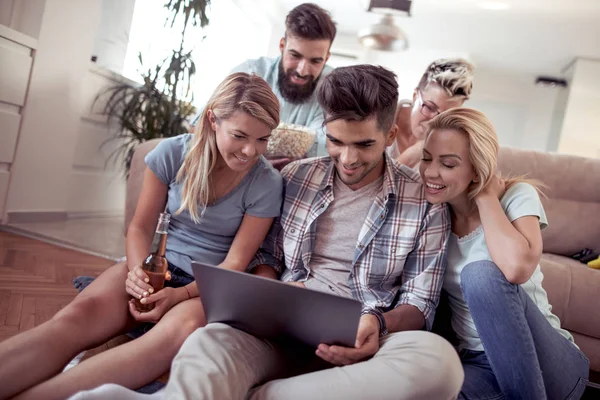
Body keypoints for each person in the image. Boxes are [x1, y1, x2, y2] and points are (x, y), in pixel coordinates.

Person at [159, 64, 464, 400]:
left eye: (364, 144)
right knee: (209, 341)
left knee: (440, 362)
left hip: (365, 341)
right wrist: (271, 295)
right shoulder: (295, 177)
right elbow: (267, 257)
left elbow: (420, 302)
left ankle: (264, 394)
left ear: (390, 136)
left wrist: (378, 325)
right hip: (280, 331)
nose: (347, 159)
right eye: (335, 141)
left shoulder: (425, 201)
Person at [0, 72, 284, 400]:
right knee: (73, 320)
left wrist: (180, 296)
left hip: (206, 288)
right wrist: (137, 274)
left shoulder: (266, 182)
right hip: (154, 268)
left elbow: (236, 262)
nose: (251, 151)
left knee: (154, 346)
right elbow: (140, 227)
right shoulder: (171, 154)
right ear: (213, 120)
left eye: (263, 139)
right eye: (240, 135)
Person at [419, 108, 590, 399]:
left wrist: (485, 196)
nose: (431, 172)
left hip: (548, 362)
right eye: (426, 158)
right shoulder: (433, 217)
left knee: (480, 274)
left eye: (448, 164)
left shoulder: (517, 195)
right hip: (479, 363)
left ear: (477, 167)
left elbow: (515, 269)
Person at [192, 3, 336, 164]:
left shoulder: (333, 88)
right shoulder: (249, 72)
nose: (302, 71)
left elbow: (329, 148)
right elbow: (200, 125)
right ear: (282, 46)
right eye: (295, 56)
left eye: (316, 61)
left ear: (327, 58)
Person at [389, 58, 474, 169]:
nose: (434, 121)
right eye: (429, 107)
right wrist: (410, 156)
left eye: (445, 116)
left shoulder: (448, 149)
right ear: (415, 96)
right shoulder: (381, 119)